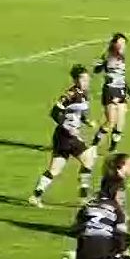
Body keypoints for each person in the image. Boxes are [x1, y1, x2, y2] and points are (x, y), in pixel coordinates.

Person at [28, 65, 97, 207]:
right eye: (83, 79)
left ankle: (36, 196)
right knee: (88, 160)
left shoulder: (84, 94)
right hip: (66, 136)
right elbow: (55, 112)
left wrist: (87, 121)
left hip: (64, 136)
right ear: (76, 80)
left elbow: (79, 113)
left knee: (55, 169)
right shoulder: (70, 95)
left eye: (87, 79)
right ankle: (84, 198)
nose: (86, 82)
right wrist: (67, 127)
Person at [90, 33, 130, 152]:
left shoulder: (122, 57)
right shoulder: (108, 55)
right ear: (114, 44)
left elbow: (121, 76)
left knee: (120, 124)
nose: (123, 46)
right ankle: (94, 145)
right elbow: (96, 69)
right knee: (111, 122)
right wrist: (103, 63)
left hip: (121, 90)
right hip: (110, 90)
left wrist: (129, 91)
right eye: (120, 43)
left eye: (124, 43)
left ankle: (112, 149)